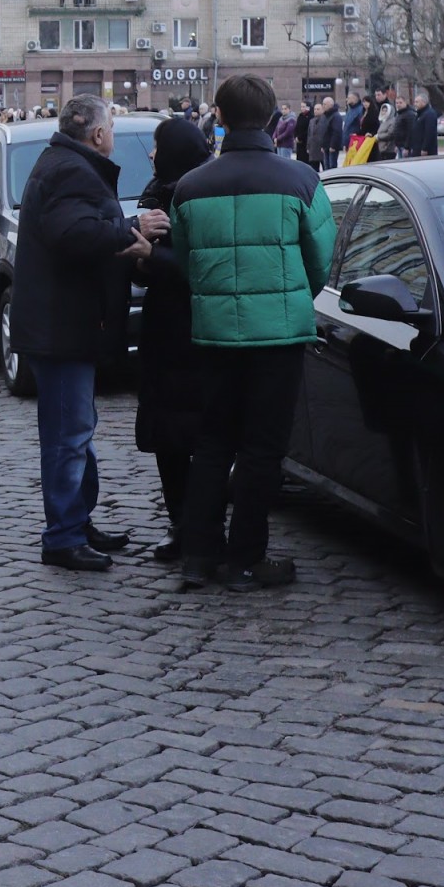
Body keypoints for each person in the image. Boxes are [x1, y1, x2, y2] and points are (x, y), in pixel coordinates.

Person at [167, 75, 336, 592]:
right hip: (278, 337)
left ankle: (198, 556)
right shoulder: (301, 180)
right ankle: (245, 559)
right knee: (263, 449)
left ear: (219, 117)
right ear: (270, 118)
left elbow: (186, 262)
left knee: (213, 443)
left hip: (215, 334)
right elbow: (320, 260)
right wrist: (289, 297)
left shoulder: (189, 187)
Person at [7, 94, 165, 572]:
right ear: (97, 135)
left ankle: (76, 520)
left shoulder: (66, 164)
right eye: (111, 128)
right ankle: (63, 536)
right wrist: (131, 229)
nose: (112, 135)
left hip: (65, 323)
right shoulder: (70, 171)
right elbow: (74, 235)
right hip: (60, 327)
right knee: (67, 435)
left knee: (77, 431)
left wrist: (124, 234)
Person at [134, 114, 212, 564]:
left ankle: (203, 525)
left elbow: (205, 268)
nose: (151, 154)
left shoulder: (206, 194)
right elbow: (139, 266)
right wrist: (140, 252)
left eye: (158, 146)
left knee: (203, 434)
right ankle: (180, 521)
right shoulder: (155, 194)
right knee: (168, 435)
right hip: (164, 332)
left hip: (201, 329)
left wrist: (154, 257)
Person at [408, 91, 440, 158]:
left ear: (424, 102)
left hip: (426, 150)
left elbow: (429, 132)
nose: (415, 104)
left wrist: (425, 148)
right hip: (416, 148)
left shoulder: (430, 114)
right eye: (415, 102)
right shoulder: (419, 114)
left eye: (417, 102)